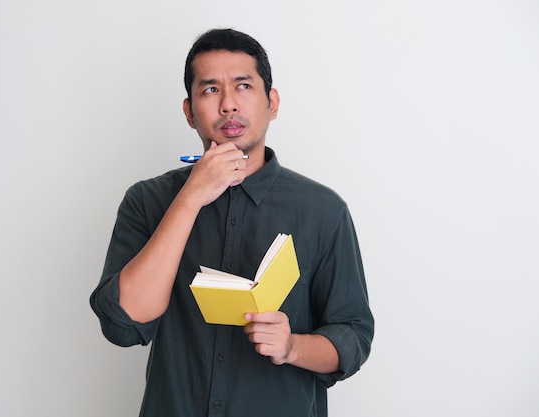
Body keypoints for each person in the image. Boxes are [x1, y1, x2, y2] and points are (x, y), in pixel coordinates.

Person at [90, 28, 374, 417]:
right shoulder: (147, 201)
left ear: (271, 102)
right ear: (189, 111)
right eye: (210, 90)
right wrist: (191, 197)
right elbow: (123, 325)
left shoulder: (323, 211)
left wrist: (291, 346)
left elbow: (353, 337)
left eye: (243, 86)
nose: (228, 105)